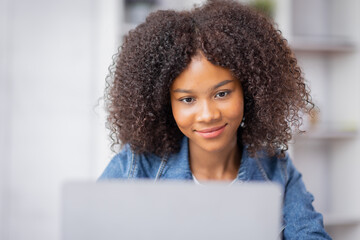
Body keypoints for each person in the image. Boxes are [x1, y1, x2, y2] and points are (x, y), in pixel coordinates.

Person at [99, 0, 331, 238]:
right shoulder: (136, 167)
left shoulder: (276, 169)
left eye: (222, 94)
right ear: (165, 104)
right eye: (187, 99)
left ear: (249, 91)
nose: (208, 115)